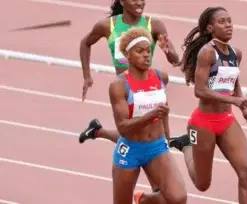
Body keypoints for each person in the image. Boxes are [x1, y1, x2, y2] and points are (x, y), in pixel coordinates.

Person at [79, 0, 187, 193]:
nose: (139, 1)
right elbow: (85, 43)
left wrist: (171, 54)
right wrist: (87, 76)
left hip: (149, 87)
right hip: (126, 92)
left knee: (141, 133)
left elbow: (175, 60)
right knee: (132, 133)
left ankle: (99, 131)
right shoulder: (108, 25)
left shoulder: (154, 25)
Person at [169, 7, 247, 204]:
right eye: (222, 22)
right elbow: (199, 90)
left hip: (226, 121)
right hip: (203, 123)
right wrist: (234, 101)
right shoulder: (207, 53)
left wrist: (243, 108)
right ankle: (185, 146)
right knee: (202, 184)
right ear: (210, 27)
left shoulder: (236, 54)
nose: (228, 25)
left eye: (230, 21)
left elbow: (234, 84)